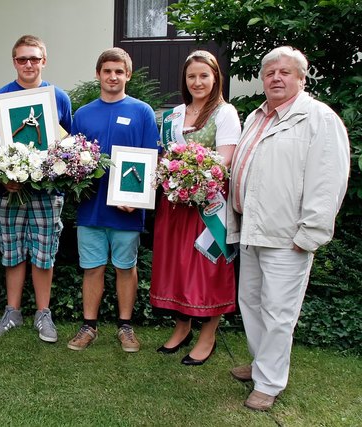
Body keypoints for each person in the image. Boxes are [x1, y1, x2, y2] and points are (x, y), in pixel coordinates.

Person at [227, 46, 349, 411]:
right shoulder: (256, 117)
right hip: (251, 229)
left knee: (280, 311)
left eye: (285, 72)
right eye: (270, 73)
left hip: (287, 237)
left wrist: (310, 233)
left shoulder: (318, 119)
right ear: (262, 79)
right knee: (251, 302)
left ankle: (269, 384)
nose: (276, 78)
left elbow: (328, 180)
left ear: (301, 78)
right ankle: (262, 364)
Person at [149, 50, 241, 365]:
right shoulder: (174, 114)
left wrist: (192, 175)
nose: (197, 82)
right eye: (192, 76)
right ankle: (182, 326)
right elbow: (164, 155)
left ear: (215, 77)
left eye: (204, 75)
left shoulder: (224, 113)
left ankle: (208, 335)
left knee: (207, 268)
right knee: (177, 266)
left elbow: (226, 159)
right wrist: (172, 173)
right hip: (176, 205)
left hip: (207, 205)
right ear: (184, 80)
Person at [67, 47, 160, 352]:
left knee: (125, 267)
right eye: (107, 71)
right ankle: (89, 326)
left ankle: (125, 327)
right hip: (91, 208)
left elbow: (152, 160)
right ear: (98, 74)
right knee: (92, 268)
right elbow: (71, 160)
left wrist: (139, 197)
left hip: (127, 208)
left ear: (128, 75)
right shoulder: (82, 114)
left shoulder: (142, 112)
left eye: (119, 71)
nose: (112, 76)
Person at [0, 35, 72, 343]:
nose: (29, 64)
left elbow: (65, 146)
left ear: (44, 61)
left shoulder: (58, 97)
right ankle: (12, 311)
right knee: (12, 250)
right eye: (22, 59)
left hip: (47, 191)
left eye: (34, 58)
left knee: (44, 252)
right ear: (14, 62)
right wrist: (2, 176)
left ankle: (43, 313)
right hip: (9, 190)